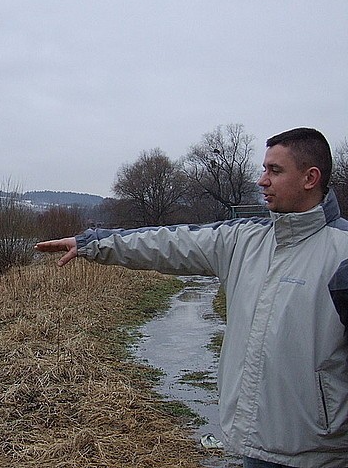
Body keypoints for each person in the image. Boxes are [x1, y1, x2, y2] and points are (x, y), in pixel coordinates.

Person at [35, 127, 348, 468]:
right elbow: (168, 243)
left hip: (322, 452)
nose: (262, 181)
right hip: (256, 446)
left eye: (275, 170)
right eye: (264, 169)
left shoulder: (342, 252)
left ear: (310, 178)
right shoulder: (244, 240)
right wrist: (92, 243)